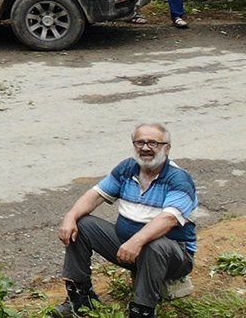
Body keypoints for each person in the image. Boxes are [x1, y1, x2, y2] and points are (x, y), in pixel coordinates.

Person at [52, 123, 197, 318]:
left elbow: (169, 219)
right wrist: (70, 217)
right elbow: (95, 195)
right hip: (128, 249)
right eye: (140, 142)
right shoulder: (127, 168)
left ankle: (142, 310)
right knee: (81, 224)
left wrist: (137, 241)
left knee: (155, 245)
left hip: (173, 257)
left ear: (167, 148)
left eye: (153, 143)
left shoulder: (178, 179)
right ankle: (80, 298)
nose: (145, 148)